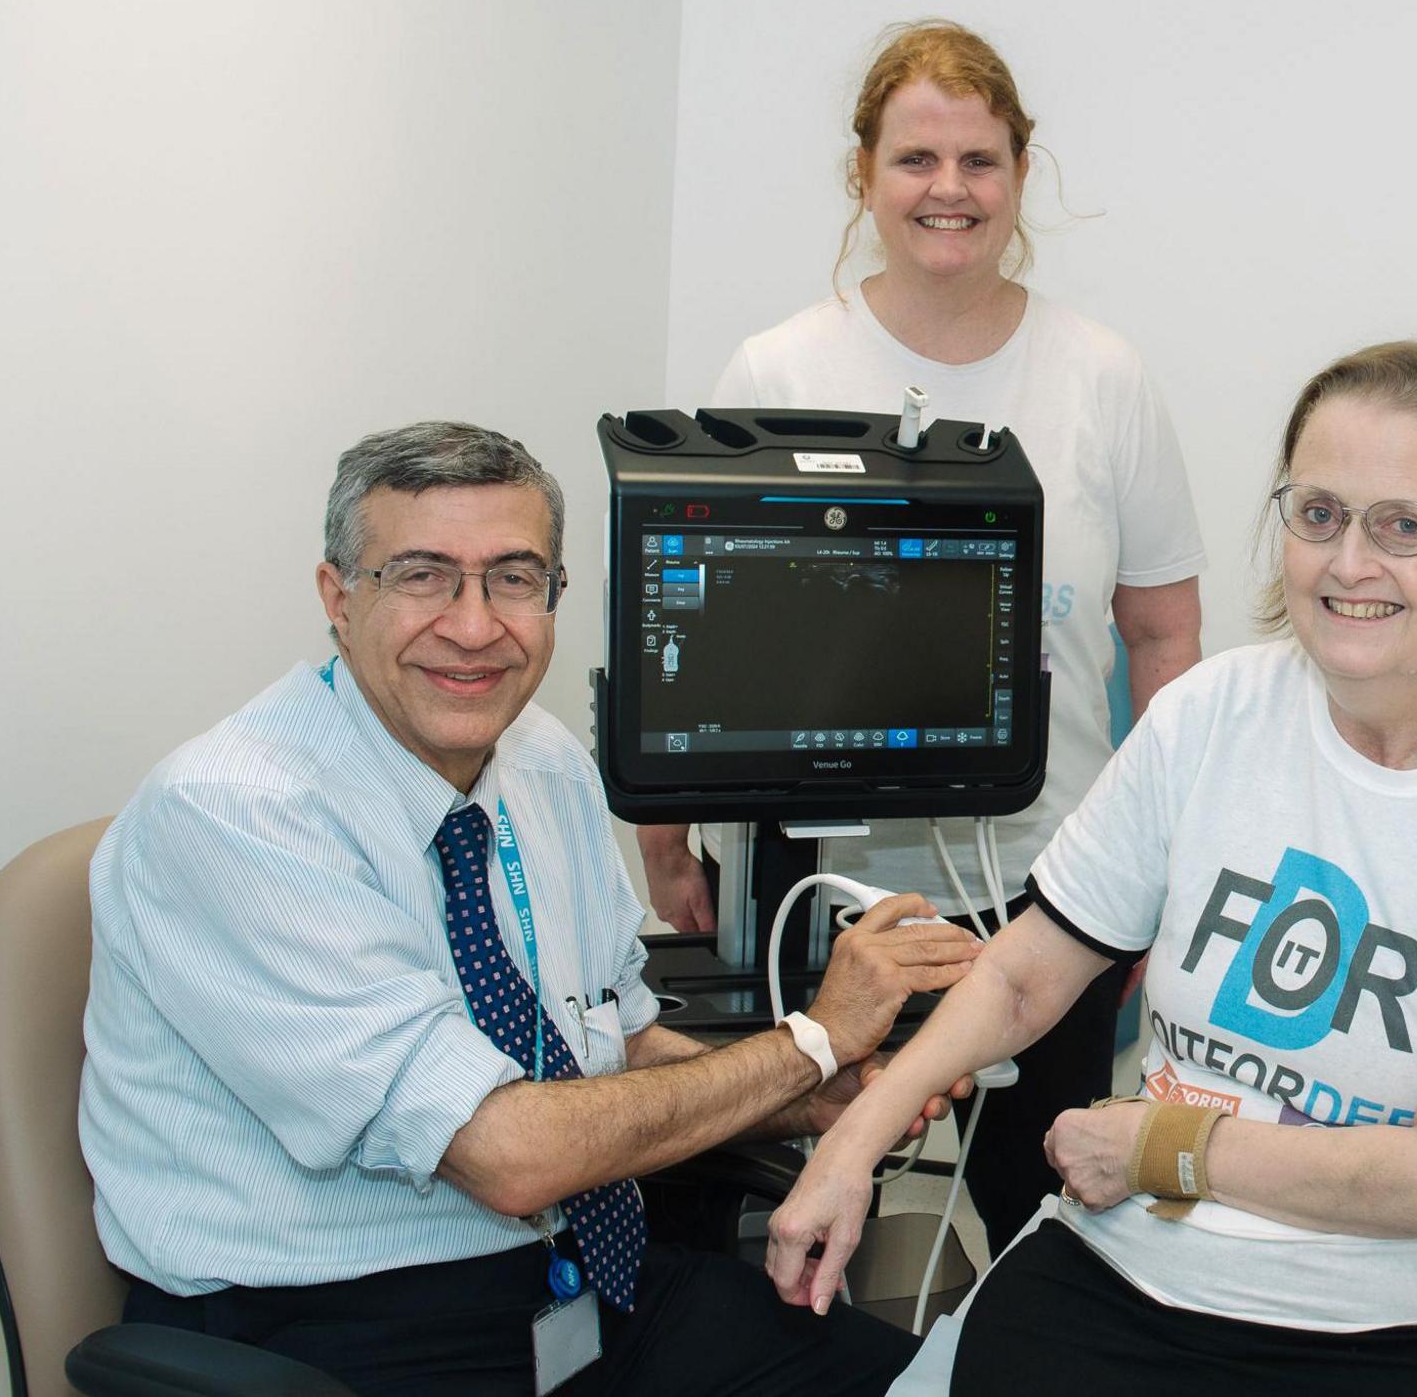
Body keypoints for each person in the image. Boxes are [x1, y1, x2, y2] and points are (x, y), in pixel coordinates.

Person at [766, 341, 1417, 1394]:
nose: (1348, 562)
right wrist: (850, 1144)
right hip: (1153, 1271)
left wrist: (1161, 1148)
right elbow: (1021, 970)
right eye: (1317, 514)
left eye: (1403, 526)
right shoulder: (1212, 716)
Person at [81, 422, 979, 1396]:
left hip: (580, 1277)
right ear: (340, 598)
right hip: (338, 1322)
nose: (473, 627)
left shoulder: (541, 761)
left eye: (513, 579)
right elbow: (505, 1157)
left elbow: (619, 1047)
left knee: (940, 1383)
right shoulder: (236, 812)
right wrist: (808, 1040)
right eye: (422, 576)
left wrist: (812, 1100)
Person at [636, 19, 1206, 1252]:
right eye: (915, 160)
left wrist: (1169, 875)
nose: (948, 191)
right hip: (812, 886)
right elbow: (688, 615)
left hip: (1048, 885)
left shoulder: (1100, 378)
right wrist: (665, 846)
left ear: (1017, 174)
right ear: (864, 176)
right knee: (791, 1188)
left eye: (978, 162)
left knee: (1033, 1209)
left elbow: (1163, 636)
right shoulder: (781, 368)